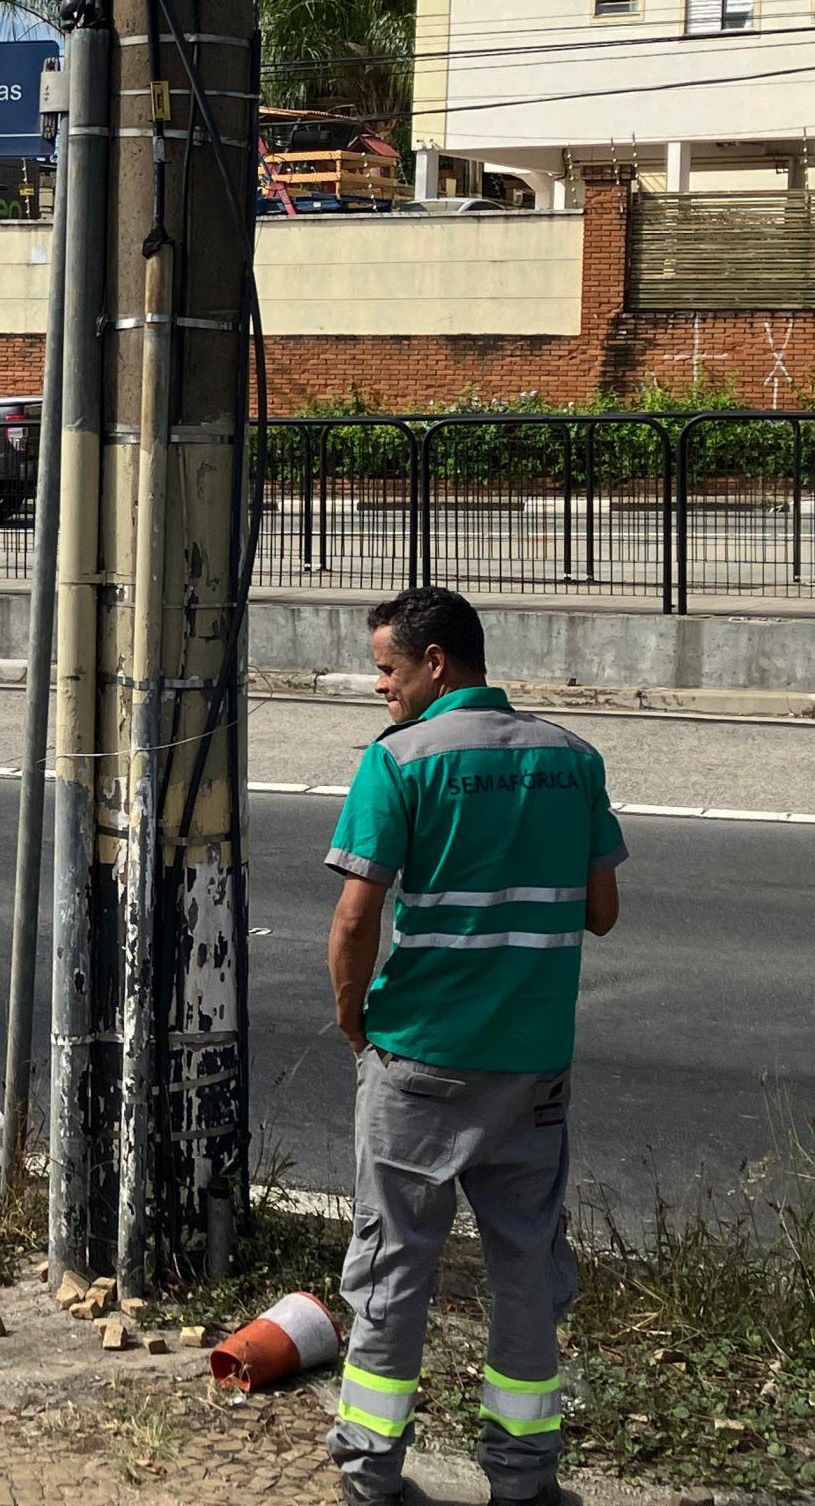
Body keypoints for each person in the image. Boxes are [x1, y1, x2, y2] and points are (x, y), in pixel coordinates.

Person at [322, 586, 624, 1506]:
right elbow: (603, 913)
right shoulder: (572, 758)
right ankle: (526, 1480)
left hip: (420, 1056)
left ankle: (371, 1477)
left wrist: (352, 1018)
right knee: (527, 1265)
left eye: (386, 667)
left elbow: (353, 920)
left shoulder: (400, 762)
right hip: (533, 1066)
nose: (379, 685)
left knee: (393, 1263)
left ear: (435, 663)